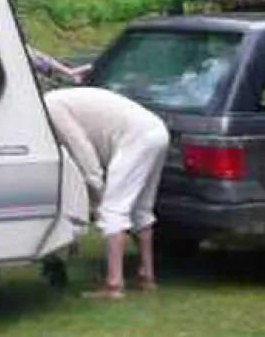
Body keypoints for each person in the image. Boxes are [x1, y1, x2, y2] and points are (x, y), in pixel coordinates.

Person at [43, 86, 171, 299]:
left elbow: (84, 154)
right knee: (141, 209)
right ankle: (146, 276)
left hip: (136, 137)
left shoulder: (51, 107)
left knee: (113, 211)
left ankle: (113, 285)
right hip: (157, 130)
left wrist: (98, 196)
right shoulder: (60, 99)